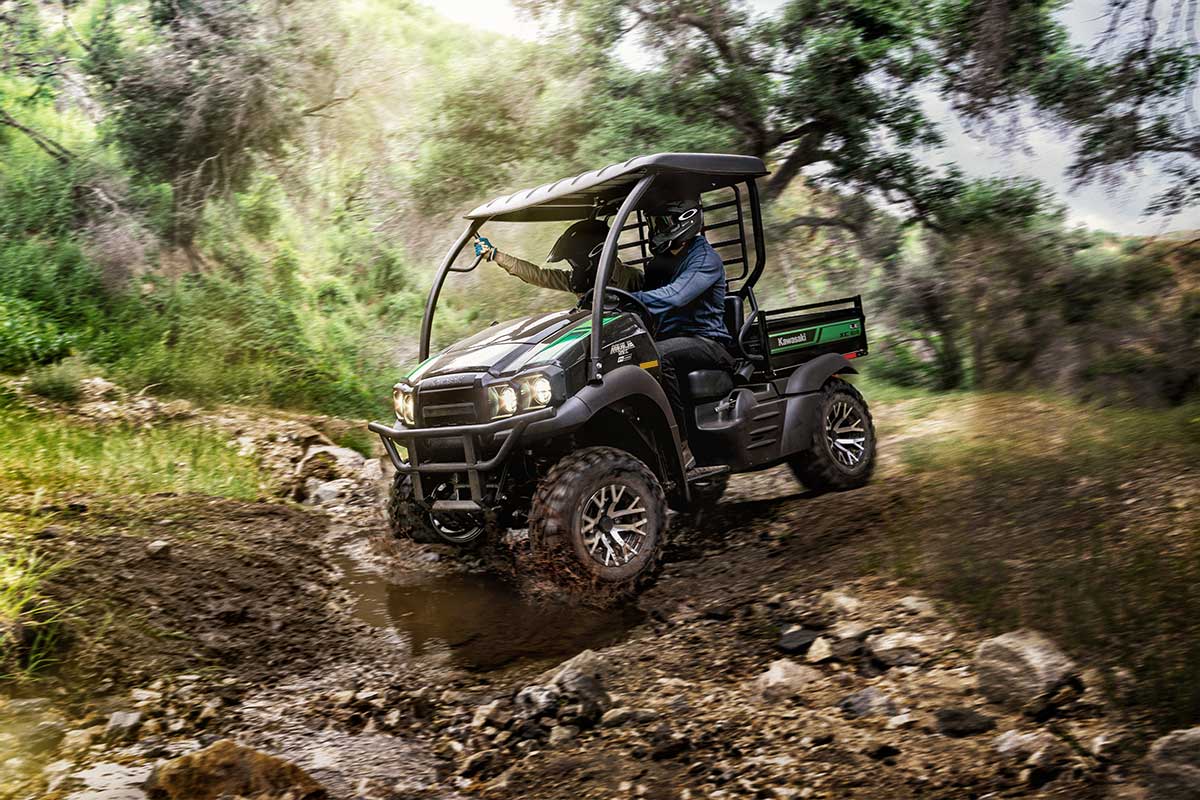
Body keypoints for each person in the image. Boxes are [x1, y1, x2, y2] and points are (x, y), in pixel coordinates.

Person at [631, 198, 735, 467]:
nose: (656, 230)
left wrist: (633, 298)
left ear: (685, 221)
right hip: (673, 341)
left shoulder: (705, 260)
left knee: (657, 357)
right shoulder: (660, 264)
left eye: (662, 223)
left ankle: (681, 445)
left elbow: (675, 296)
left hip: (707, 342)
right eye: (653, 223)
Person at [474, 219, 643, 294]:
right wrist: (495, 255)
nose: (575, 267)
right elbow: (537, 276)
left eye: (576, 261)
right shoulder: (579, 280)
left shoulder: (632, 278)